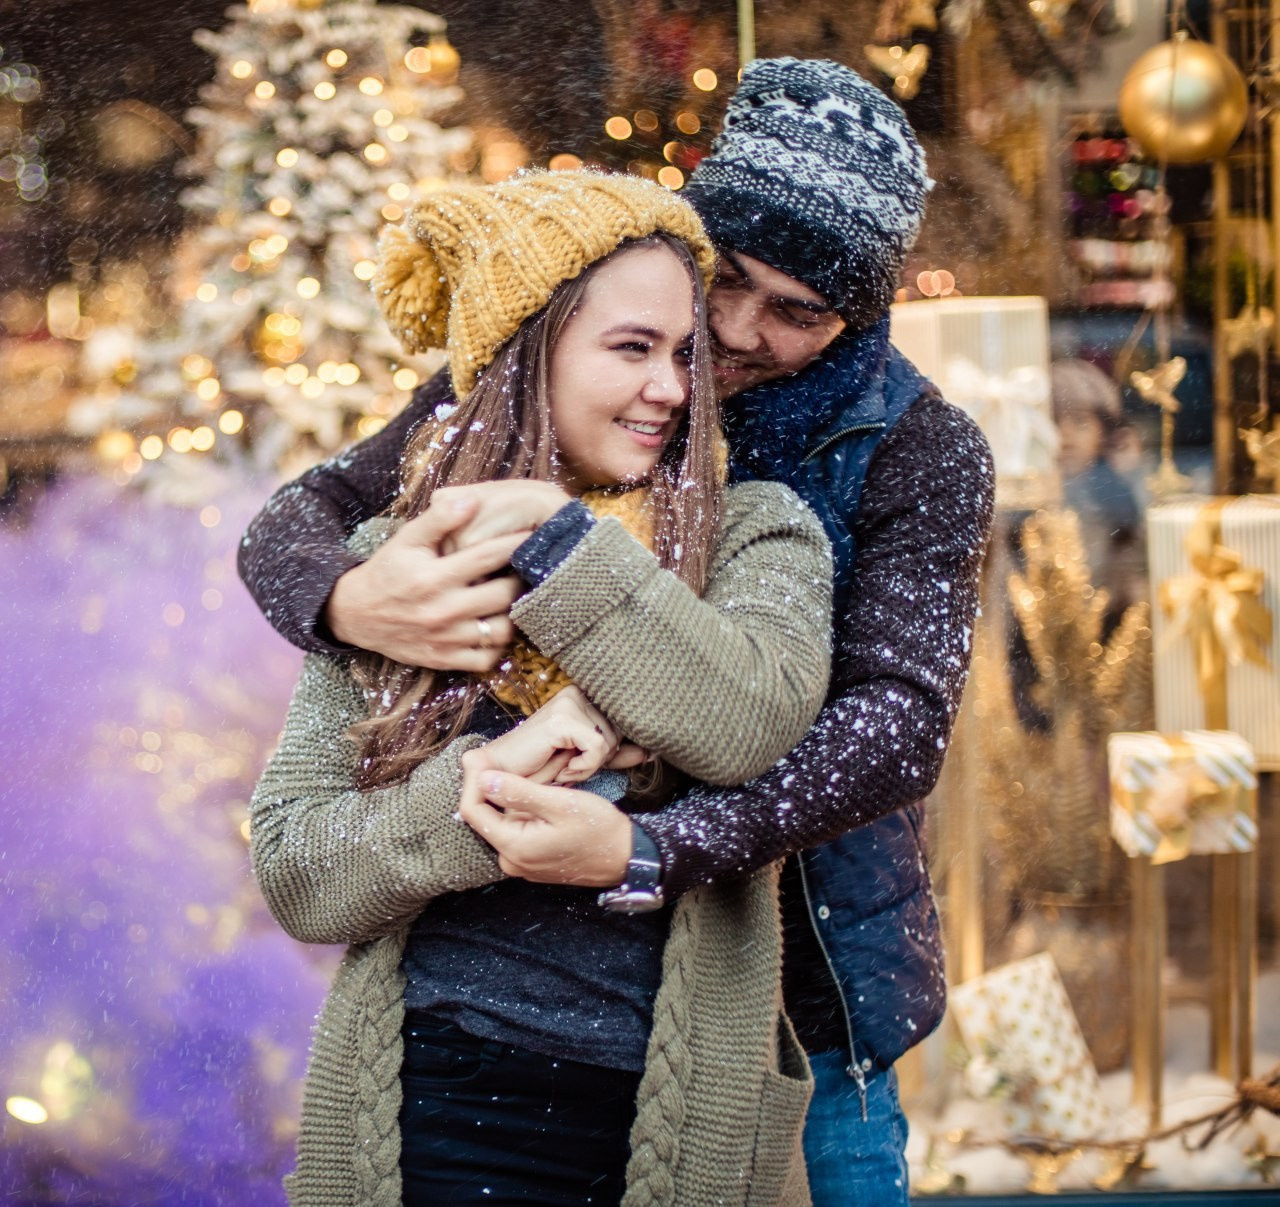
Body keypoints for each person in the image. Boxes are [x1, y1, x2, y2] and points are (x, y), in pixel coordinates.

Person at [240, 59, 996, 1206]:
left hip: (802, 986)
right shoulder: (558, 371)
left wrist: (652, 844)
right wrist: (347, 603)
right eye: (725, 284)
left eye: (797, 311)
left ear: (859, 311)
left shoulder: (905, 453)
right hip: (475, 1029)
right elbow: (302, 519)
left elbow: (889, 732)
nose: (729, 341)